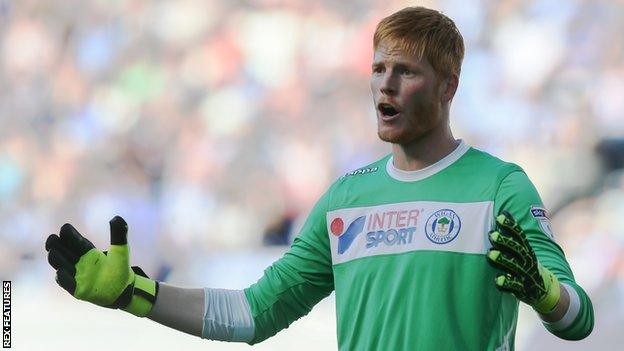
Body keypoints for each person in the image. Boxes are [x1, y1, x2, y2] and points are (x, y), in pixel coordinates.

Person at [44, 6, 594, 350]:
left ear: (448, 86)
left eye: (406, 72)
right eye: (379, 69)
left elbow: (579, 318)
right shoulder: (346, 200)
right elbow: (252, 314)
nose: (385, 87)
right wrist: (136, 295)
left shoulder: (500, 185)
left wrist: (545, 294)